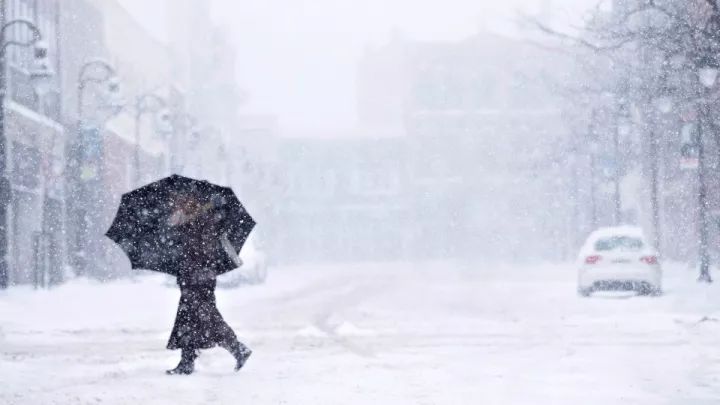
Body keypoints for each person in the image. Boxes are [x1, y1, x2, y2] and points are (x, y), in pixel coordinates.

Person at [165, 194, 252, 375]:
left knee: (207, 317)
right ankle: (187, 361)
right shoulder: (194, 221)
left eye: (179, 202)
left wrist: (183, 229)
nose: (176, 206)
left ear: (191, 203)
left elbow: (203, 252)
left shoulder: (201, 221)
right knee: (187, 317)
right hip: (193, 278)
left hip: (199, 279)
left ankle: (237, 349)